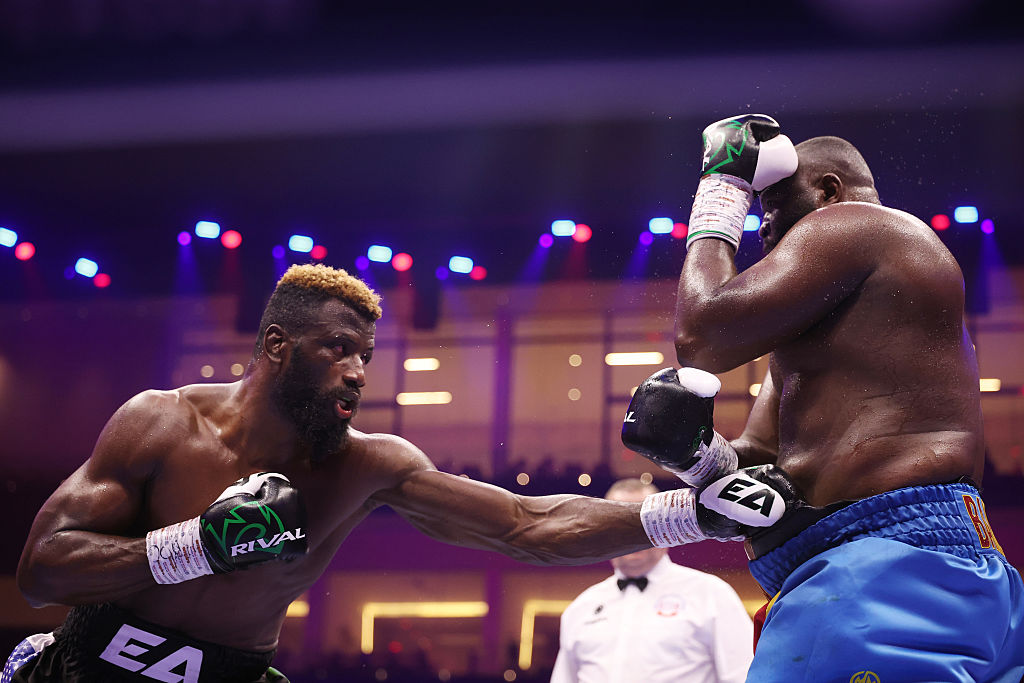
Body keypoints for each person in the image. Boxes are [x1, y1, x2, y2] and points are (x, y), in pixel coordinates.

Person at [11, 263, 762, 683]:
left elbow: (526, 524)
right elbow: (42, 570)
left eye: (365, 356)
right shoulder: (162, 421)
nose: (357, 373)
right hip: (89, 666)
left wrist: (696, 513)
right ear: (276, 345)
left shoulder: (367, 463)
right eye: (336, 349)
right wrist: (197, 545)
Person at [623, 114, 1024, 680]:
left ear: (828, 190)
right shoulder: (833, 327)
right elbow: (761, 461)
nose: (763, 231)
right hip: (926, 572)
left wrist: (723, 186)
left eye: (774, 209)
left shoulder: (857, 224)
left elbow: (702, 336)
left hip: (881, 568)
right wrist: (693, 454)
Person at [550, 478, 753, 683]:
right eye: (619, 525)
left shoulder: (712, 594)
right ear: (603, 533)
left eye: (642, 523)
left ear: (665, 528)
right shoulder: (581, 608)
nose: (631, 535)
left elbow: (742, 676)